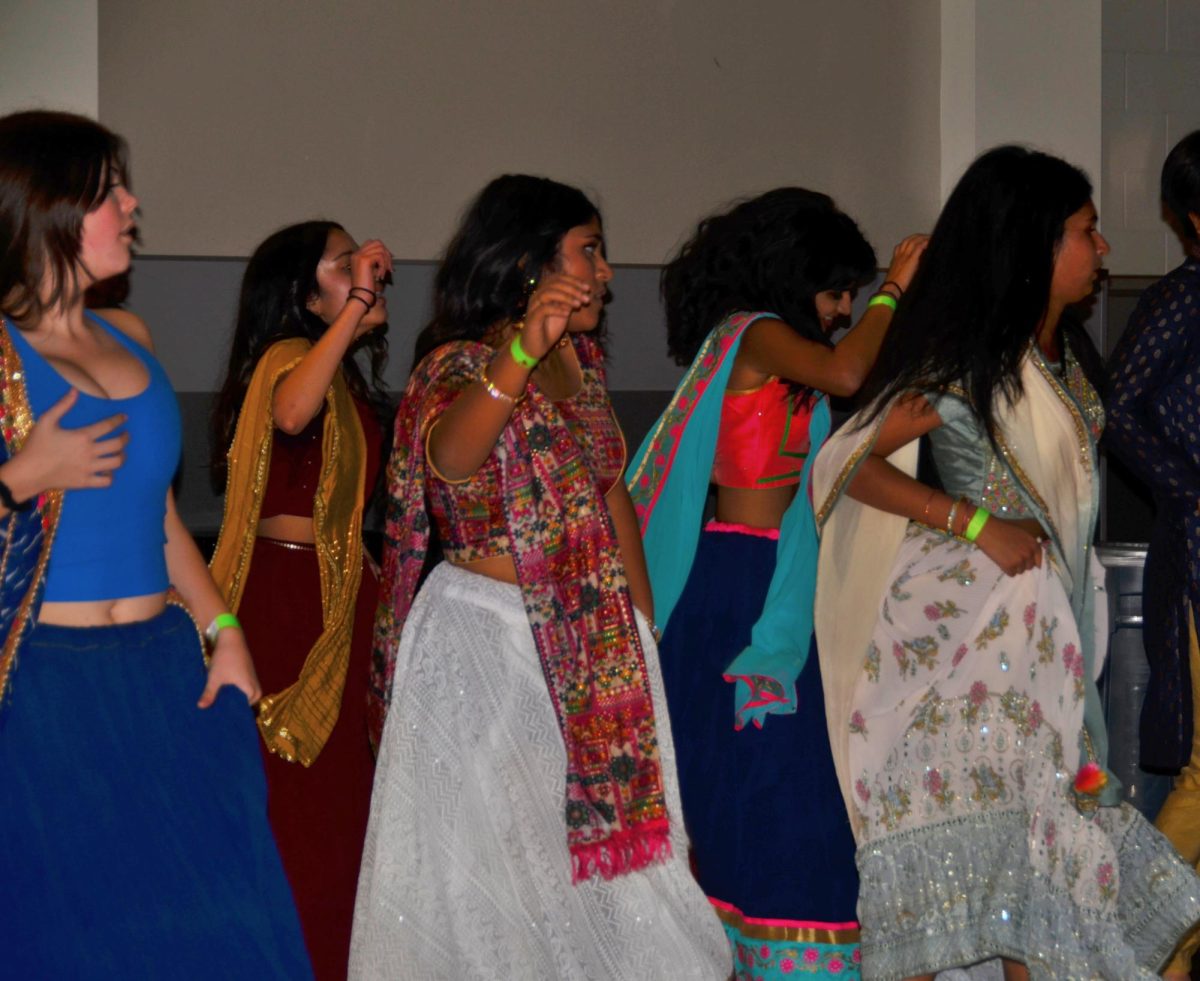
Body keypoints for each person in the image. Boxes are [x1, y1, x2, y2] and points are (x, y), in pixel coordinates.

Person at [811, 144, 1200, 981]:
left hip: (1041, 637)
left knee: (1036, 856)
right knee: (952, 854)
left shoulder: (1063, 356)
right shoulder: (956, 362)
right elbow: (842, 462)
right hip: (958, 648)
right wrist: (972, 519)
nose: (1103, 252)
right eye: (1086, 232)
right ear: (1032, 244)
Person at [352, 174, 730, 980]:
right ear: (529, 265)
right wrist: (520, 353)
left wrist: (641, 628)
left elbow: (609, 491)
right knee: (496, 873)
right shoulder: (460, 366)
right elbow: (452, 462)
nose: (605, 273)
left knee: (601, 882)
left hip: (588, 650)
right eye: (588, 250)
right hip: (485, 646)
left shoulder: (583, 370)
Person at [0, 110, 311, 979]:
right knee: (74, 936)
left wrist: (224, 631)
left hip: (164, 675)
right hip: (43, 691)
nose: (132, 205)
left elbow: (162, 516)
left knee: (218, 921)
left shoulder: (129, 336)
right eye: (108, 192)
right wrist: (22, 477)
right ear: (47, 208)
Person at [627, 187, 926, 979]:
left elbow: (834, 456)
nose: (839, 310)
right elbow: (849, 367)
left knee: (797, 798)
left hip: (785, 584)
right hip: (735, 590)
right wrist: (894, 287)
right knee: (766, 797)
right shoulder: (752, 334)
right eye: (836, 293)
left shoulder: (779, 358)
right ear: (795, 278)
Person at [209, 220, 392, 980]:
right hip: (284, 608)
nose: (364, 275)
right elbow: (291, 415)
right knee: (296, 815)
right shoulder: (286, 363)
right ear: (302, 293)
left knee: (341, 816)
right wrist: (355, 309)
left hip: (338, 604)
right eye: (343, 265)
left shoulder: (342, 378)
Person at [1106, 128, 1200, 981]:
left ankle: (1161, 951)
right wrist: (1191, 488)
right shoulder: (1185, 296)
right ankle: (1139, 944)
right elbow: (1119, 407)